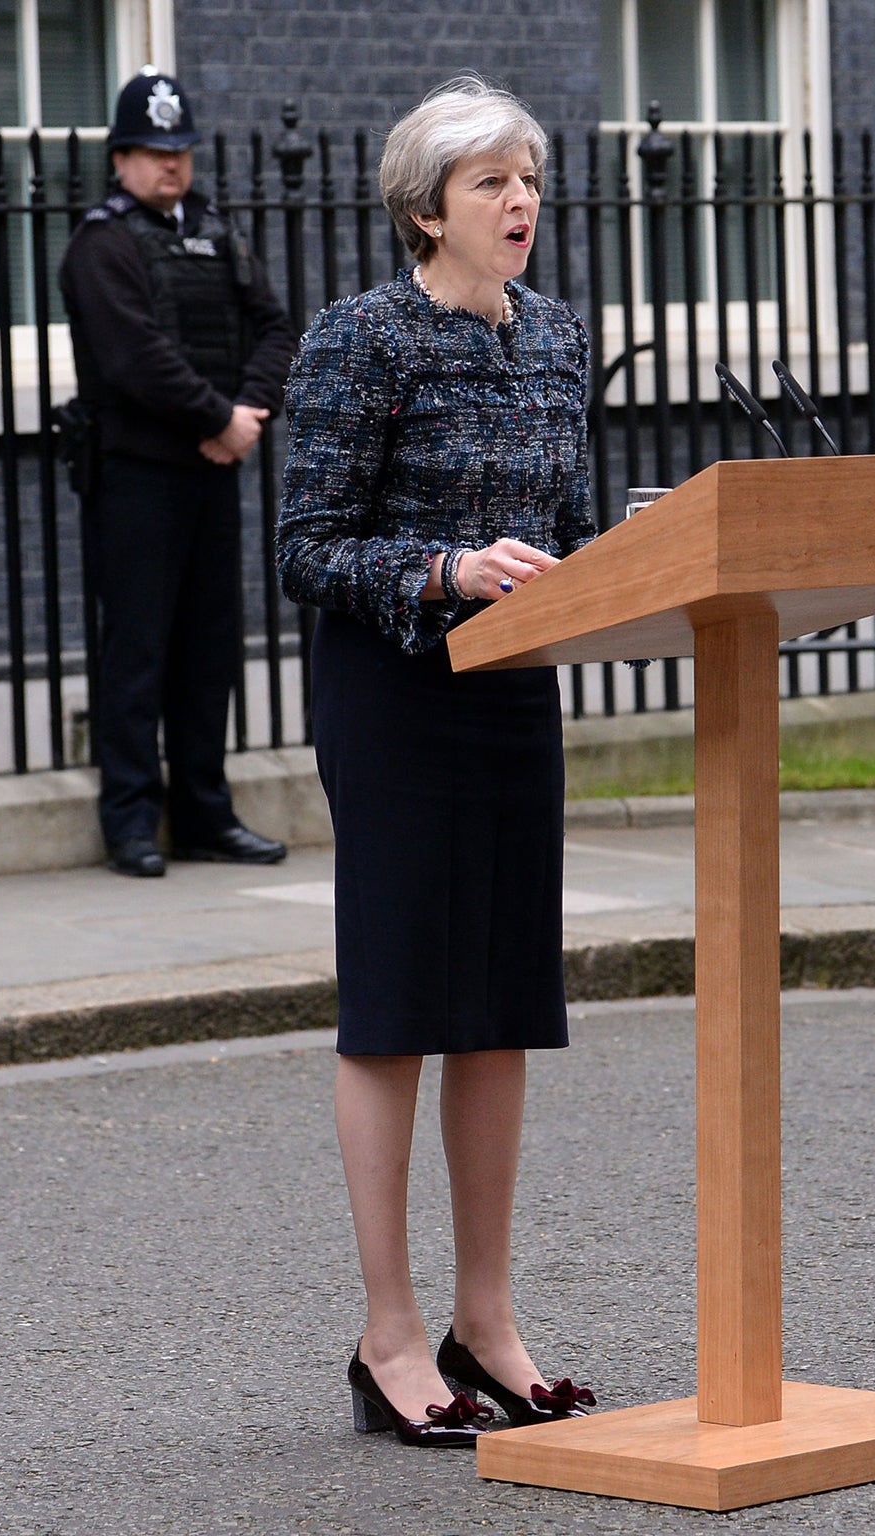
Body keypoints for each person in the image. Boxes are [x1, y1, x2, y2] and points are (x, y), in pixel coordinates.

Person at [277, 77, 599, 1447]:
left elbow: (575, 524)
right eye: (490, 181)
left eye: (528, 175)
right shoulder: (360, 341)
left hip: (516, 689)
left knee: (501, 1003)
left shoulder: (561, 340)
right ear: (425, 209)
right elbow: (304, 544)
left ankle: (489, 1321)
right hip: (397, 690)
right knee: (404, 1003)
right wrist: (447, 568)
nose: (520, 200)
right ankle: (390, 1333)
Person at [59, 69, 299, 879]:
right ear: (122, 156)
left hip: (210, 471)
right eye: (156, 152)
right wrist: (218, 418)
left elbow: (274, 327)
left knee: (208, 648)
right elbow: (134, 359)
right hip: (136, 476)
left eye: (182, 151)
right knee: (137, 649)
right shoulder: (103, 243)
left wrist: (249, 415)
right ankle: (130, 819)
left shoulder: (216, 232)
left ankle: (203, 812)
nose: (173, 166)